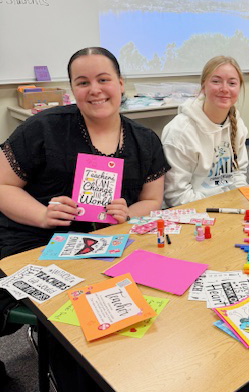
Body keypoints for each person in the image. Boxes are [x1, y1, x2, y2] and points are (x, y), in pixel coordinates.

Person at [0, 47, 170, 388]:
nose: (95, 89)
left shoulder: (145, 140)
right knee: (78, 319)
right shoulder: (44, 128)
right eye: (83, 82)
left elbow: (153, 200)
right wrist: (43, 214)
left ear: (121, 84)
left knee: (144, 302)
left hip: (104, 242)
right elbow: (3, 185)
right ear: (72, 89)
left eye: (104, 79)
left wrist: (129, 212)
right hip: (34, 239)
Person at [161, 56, 249, 207]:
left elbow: (238, 174)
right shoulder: (180, 132)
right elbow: (176, 196)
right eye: (216, 81)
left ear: (239, 88)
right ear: (203, 87)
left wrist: (239, 201)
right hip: (194, 210)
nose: (224, 89)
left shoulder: (237, 124)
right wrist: (218, 208)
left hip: (228, 206)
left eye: (232, 83)